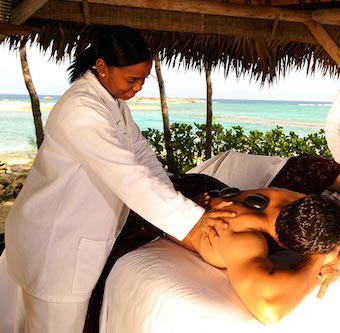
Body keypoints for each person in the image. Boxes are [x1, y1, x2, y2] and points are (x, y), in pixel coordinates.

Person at [3, 26, 232, 333]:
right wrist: (194, 221)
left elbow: (145, 161)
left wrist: (183, 204)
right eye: (131, 79)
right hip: (56, 246)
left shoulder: (114, 105)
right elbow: (130, 178)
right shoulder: (82, 109)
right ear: (102, 68)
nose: (138, 88)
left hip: (60, 235)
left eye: (142, 79)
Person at [169, 186, 340, 325]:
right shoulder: (241, 235)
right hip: (165, 203)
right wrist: (318, 258)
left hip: (205, 188)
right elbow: (268, 310)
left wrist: (338, 262)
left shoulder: (303, 208)